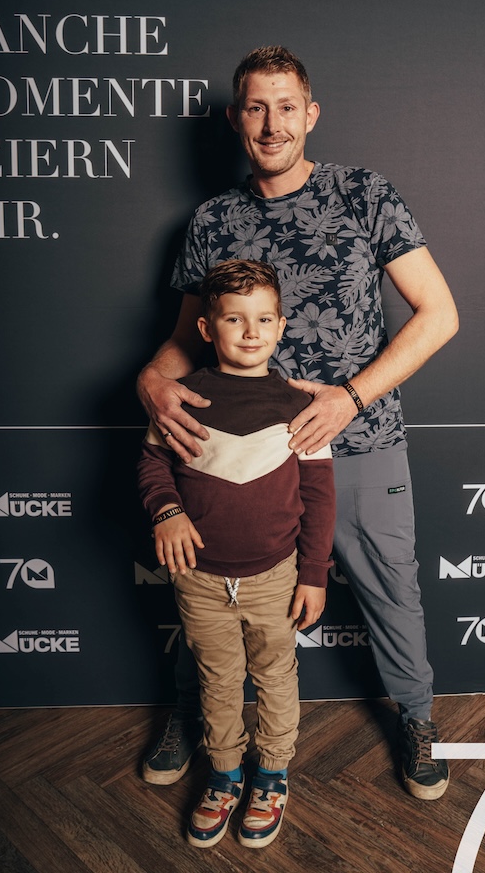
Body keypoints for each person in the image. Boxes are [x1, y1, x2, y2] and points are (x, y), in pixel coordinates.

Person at [138, 45, 459, 802]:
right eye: (256, 107)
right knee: (211, 588)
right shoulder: (213, 219)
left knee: (392, 590)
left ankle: (417, 719)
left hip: (359, 439)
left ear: (310, 114)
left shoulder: (364, 194)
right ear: (235, 119)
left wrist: (349, 397)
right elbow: (184, 342)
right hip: (239, 454)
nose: (272, 123)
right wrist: (151, 379)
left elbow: (438, 314)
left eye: (286, 107)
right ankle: (192, 713)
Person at [138, 259, 335, 848]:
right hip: (198, 579)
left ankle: (271, 776)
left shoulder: (302, 404)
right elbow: (153, 466)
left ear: (281, 327)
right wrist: (167, 511)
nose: (251, 332)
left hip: (275, 578)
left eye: (264, 319)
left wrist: (314, 574)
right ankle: (225, 775)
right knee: (217, 680)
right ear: (206, 328)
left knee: (276, 677)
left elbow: (319, 496)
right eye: (234, 319)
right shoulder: (180, 398)